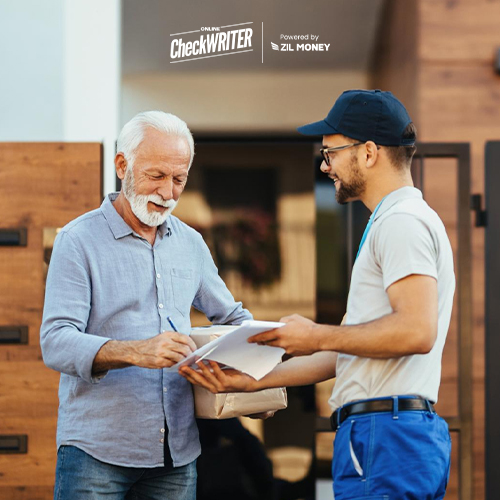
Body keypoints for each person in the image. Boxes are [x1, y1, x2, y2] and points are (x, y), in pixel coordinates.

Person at [181, 89, 455, 500]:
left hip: (384, 437)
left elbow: (417, 331)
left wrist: (316, 334)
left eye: (331, 152)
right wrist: (250, 381)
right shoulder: (395, 222)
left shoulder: (402, 223)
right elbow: (347, 352)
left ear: (368, 152)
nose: (325, 166)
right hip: (388, 435)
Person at [40, 110, 252, 500]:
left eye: (179, 179)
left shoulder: (191, 243)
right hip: (95, 453)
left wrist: (258, 384)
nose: (169, 193)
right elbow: (55, 340)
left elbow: (234, 319)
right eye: (156, 176)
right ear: (122, 165)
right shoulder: (77, 241)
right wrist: (136, 351)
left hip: (177, 456)